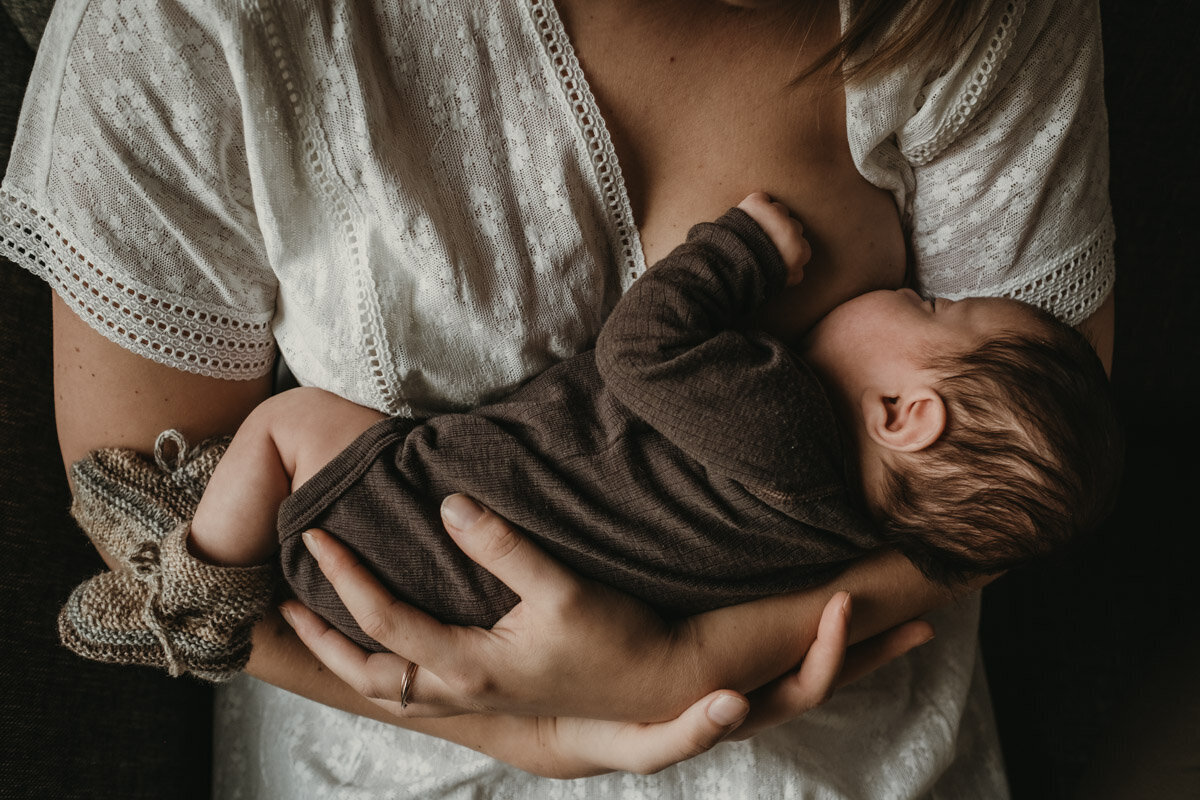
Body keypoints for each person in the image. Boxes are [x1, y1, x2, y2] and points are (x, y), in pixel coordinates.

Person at [1, 0, 1115, 795]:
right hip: (400, 723)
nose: (925, 303)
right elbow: (126, 487)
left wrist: (686, 668)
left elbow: (1022, 489)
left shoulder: (965, 21)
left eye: (928, 302)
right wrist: (525, 723)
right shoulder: (188, 28)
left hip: (849, 748)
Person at [58, 192, 1119, 682]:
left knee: (289, 424)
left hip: (429, 528)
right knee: (323, 442)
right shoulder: (837, 533)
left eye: (935, 313)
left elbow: (643, 349)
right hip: (470, 617)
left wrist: (741, 251)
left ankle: (196, 582)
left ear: (907, 412)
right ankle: (220, 550)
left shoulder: (787, 418)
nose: (919, 294)